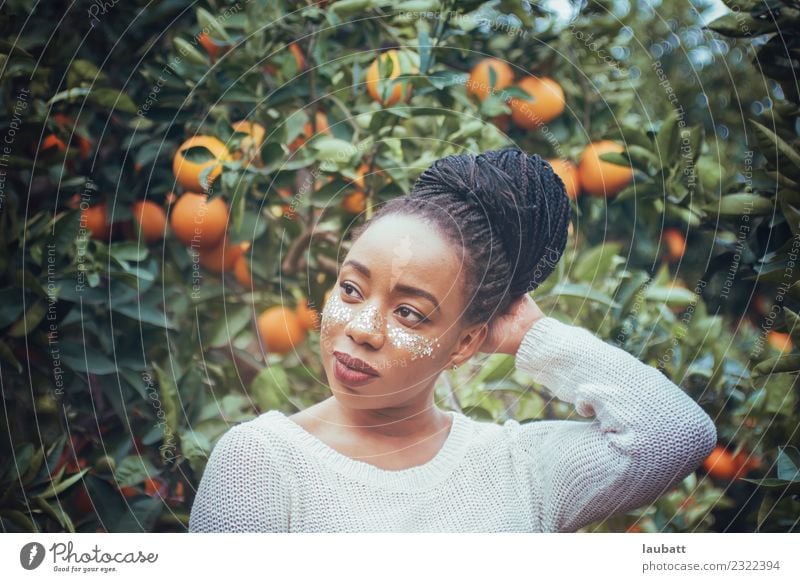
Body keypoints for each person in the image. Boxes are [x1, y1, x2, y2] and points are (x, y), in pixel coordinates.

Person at [188, 148, 717, 533]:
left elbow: (674, 433)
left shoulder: (518, 469)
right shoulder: (261, 462)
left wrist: (533, 336)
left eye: (410, 313)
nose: (361, 328)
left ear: (465, 344)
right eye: (351, 289)